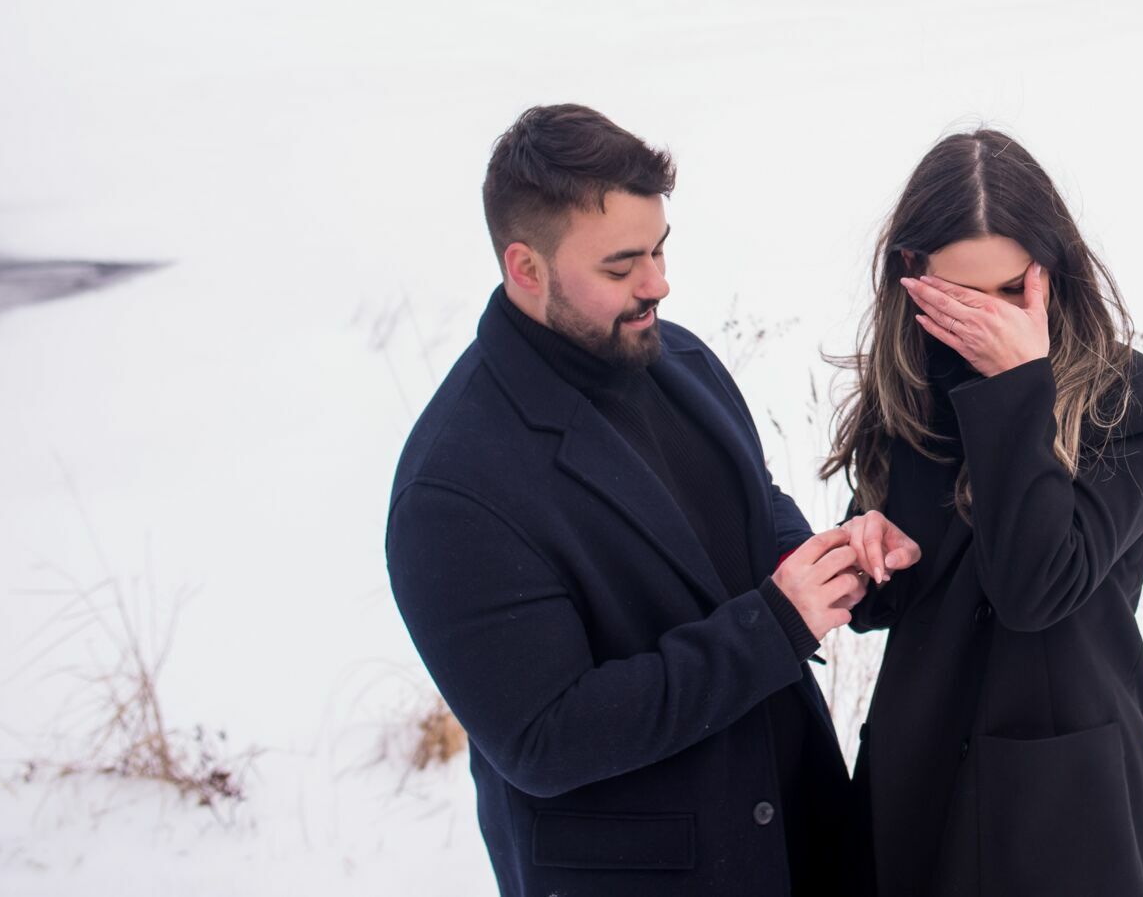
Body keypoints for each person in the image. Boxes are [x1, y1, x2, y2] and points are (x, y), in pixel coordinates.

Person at [386, 104, 907, 896]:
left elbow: (747, 506)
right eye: (621, 265)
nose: (658, 284)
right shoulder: (452, 490)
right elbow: (545, 737)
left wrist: (825, 559)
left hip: (798, 837)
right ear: (526, 269)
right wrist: (773, 623)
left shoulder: (681, 360)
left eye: (660, 249)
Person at [828, 129, 1143, 897]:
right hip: (917, 776)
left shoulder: (1132, 404)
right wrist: (863, 551)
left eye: (1009, 292)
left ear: (1050, 274)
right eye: (960, 295)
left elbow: (1035, 589)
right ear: (911, 274)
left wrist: (1019, 388)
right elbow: (893, 600)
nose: (985, 322)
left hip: (1061, 804)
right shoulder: (908, 388)